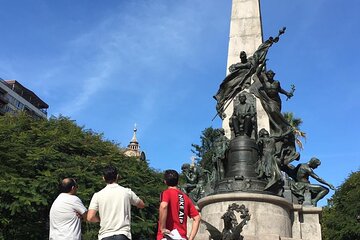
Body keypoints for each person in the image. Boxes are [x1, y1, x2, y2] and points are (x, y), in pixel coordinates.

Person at [87, 165, 145, 240]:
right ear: (117, 176)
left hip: (104, 235)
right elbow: (141, 205)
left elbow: (90, 217)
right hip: (123, 234)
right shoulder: (127, 192)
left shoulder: (97, 195)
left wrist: (100, 219)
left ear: (103, 178)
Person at [157, 170, 201, 240]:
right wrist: (191, 238)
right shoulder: (186, 197)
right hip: (182, 237)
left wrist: (162, 228)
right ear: (178, 182)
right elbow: (197, 218)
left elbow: (163, 206)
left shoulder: (166, 193)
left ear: (165, 181)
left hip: (167, 236)